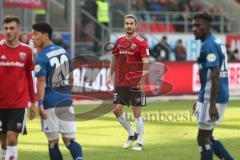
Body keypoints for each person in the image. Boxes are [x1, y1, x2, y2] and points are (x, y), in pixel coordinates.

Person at [32, 22, 83, 160]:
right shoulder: (63, 51)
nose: (32, 38)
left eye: (36, 34)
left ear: (45, 35)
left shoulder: (40, 56)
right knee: (70, 140)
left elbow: (41, 81)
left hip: (50, 103)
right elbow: (71, 77)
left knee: (53, 144)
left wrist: (40, 104)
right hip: (65, 101)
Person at [192, 12, 234, 160]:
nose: (194, 29)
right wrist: (200, 99)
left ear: (208, 27)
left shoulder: (209, 45)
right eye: (193, 25)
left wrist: (211, 104)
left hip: (213, 98)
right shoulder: (216, 42)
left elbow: (214, 74)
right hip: (216, 96)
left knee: (203, 138)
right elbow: (210, 77)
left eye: (198, 25)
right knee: (207, 136)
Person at [106, 14, 149, 151]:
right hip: (121, 82)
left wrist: (142, 80)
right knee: (117, 110)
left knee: (137, 112)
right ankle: (132, 134)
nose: (129, 26)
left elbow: (146, 63)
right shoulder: (119, 41)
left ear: (135, 26)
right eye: (127, 23)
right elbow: (115, 59)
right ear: (124, 25)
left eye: (131, 23)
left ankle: (140, 142)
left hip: (135, 82)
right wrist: (109, 74)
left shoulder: (141, 42)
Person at [0, 15, 36, 160]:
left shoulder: (27, 51)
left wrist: (33, 102)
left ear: (18, 30)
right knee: (3, 142)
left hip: (18, 103)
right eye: (6, 28)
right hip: (0, 104)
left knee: (12, 139)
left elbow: (29, 77)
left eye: (11, 28)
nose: (8, 31)